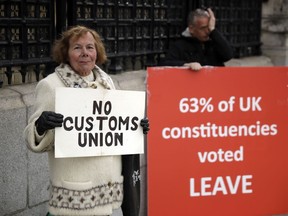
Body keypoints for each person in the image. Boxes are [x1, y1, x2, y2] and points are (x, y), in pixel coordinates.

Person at [23, 25, 149, 216]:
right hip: (74, 195)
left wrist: (136, 128)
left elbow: (115, 128)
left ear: (97, 52)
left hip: (105, 190)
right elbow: (33, 138)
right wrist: (41, 125)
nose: (85, 53)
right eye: (77, 48)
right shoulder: (51, 85)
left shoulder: (106, 82)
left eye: (90, 47)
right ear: (66, 53)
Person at [160, 7, 233, 70]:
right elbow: (166, 64)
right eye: (203, 28)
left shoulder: (214, 42)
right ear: (191, 29)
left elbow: (228, 55)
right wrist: (186, 65)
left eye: (209, 27)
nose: (207, 31)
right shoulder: (180, 45)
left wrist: (213, 30)